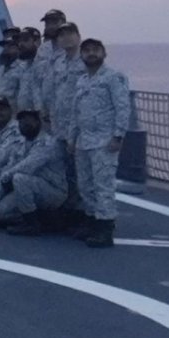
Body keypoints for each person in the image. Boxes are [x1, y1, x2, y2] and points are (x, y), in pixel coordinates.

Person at [68, 38, 136, 247]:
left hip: (104, 141)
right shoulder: (82, 81)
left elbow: (122, 107)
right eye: (86, 50)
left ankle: (105, 228)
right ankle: (92, 222)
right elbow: (76, 112)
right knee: (86, 186)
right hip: (84, 141)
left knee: (103, 185)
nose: (91, 54)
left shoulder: (113, 78)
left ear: (104, 53)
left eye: (95, 50)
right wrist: (72, 139)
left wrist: (118, 136)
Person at [0, 107, 75, 231]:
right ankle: (42, 218)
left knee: (19, 178)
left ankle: (32, 224)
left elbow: (26, 167)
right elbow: (0, 160)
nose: (25, 124)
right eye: (21, 121)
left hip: (53, 191)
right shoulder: (18, 142)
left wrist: (5, 181)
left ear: (38, 122)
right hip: (27, 188)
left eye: (29, 120)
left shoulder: (48, 144)